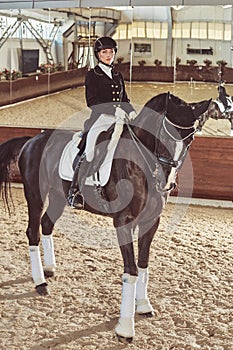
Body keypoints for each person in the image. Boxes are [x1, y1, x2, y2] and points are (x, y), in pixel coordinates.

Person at [67, 36, 137, 209]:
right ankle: (75, 191)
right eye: (104, 52)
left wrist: (131, 110)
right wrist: (113, 110)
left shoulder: (117, 75)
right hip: (100, 120)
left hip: (120, 119)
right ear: (98, 54)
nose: (108, 55)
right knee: (91, 151)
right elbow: (92, 102)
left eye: (111, 51)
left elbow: (124, 98)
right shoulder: (93, 75)